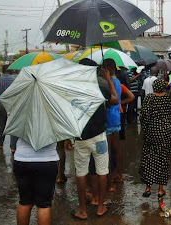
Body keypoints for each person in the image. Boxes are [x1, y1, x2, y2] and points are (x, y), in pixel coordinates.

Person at [67, 58, 118, 219]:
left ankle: (82, 210)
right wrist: (109, 80)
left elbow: (68, 114)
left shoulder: (72, 89)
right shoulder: (101, 86)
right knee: (102, 170)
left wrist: (68, 136)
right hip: (99, 136)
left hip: (80, 137)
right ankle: (100, 207)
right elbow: (115, 100)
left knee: (81, 173)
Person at [139, 79, 171, 198]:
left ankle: (148, 187)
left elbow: (144, 116)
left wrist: (146, 130)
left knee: (149, 159)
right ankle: (161, 189)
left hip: (152, 133)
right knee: (163, 160)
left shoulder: (149, 98)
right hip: (166, 133)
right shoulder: (169, 99)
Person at [13, 138, 59, 225]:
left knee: (25, 202)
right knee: (44, 205)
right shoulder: (53, 122)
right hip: (47, 160)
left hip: (22, 159)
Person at [102, 58, 124, 188]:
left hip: (108, 119)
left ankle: (109, 179)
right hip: (116, 118)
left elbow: (110, 101)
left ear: (107, 69)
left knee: (108, 151)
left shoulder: (108, 83)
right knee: (117, 149)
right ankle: (119, 174)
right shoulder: (118, 81)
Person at [0, 65, 18, 152]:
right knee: (13, 126)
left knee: (1, 126)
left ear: (2, 71)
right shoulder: (16, 80)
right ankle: (13, 147)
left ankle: (0, 144)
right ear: (11, 71)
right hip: (13, 105)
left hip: (1, 105)